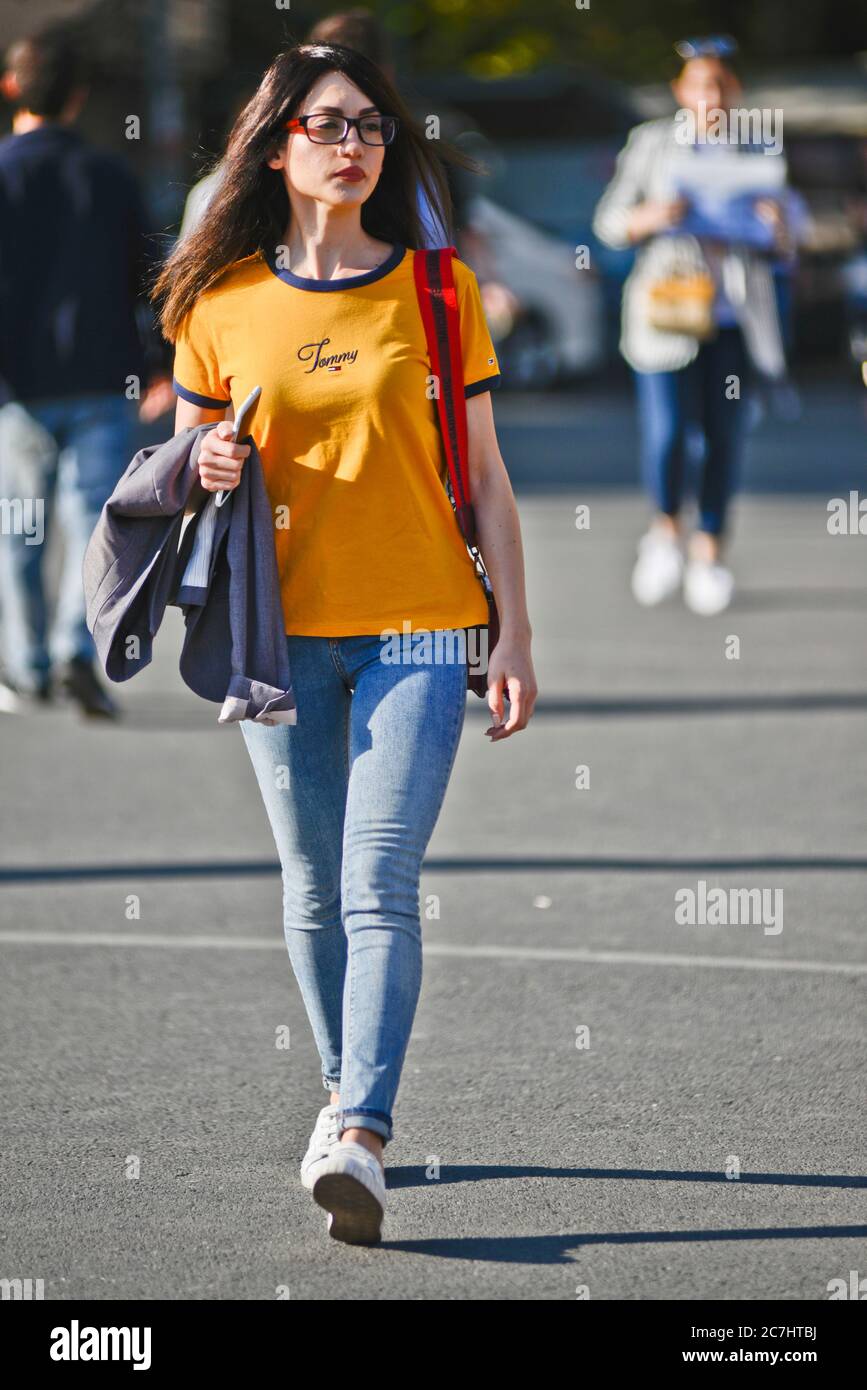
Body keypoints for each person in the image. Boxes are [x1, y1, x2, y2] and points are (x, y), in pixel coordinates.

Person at [151, 42, 537, 1245]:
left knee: (378, 880)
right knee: (312, 887)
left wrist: (512, 630)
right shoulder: (218, 304)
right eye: (328, 125)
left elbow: (484, 474)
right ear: (278, 147)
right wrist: (208, 460)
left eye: (372, 125)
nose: (355, 143)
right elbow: (189, 464)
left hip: (421, 625)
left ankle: (362, 1127)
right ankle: (340, 1093)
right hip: (278, 637)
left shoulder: (436, 287)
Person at [0, 24, 174, 716]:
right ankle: (78, 648)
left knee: (20, 526)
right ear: (77, 97)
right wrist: (161, 363)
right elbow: (151, 278)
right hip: (107, 376)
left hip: (15, 386)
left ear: (11, 86)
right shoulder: (110, 176)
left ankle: (27, 663)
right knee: (96, 521)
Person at [593, 35, 795, 615]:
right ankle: (665, 530)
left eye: (721, 85)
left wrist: (777, 227)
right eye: (700, 85)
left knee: (724, 438)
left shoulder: (757, 149)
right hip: (667, 316)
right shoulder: (652, 144)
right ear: (681, 92)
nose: (711, 97)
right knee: (670, 434)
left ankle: (709, 551)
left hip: (734, 315)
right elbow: (608, 223)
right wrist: (648, 218)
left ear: (735, 92)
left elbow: (787, 244)